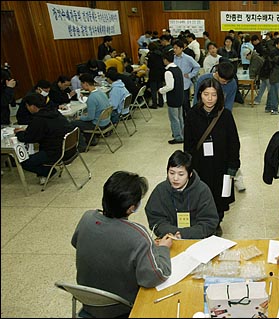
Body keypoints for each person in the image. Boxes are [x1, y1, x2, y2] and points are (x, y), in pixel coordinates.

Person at [71, 171, 172, 318]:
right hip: (120, 308)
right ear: (132, 208)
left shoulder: (87, 218)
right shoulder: (138, 235)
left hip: (89, 301)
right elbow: (156, 275)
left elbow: (76, 243)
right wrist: (163, 249)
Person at [184, 78, 241, 236]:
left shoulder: (226, 116)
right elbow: (188, 143)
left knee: (219, 195)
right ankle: (202, 221)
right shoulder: (192, 114)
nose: (209, 98)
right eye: (206, 94)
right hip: (199, 164)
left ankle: (217, 222)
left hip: (221, 165)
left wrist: (233, 166)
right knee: (200, 194)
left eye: (214, 95)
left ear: (219, 96)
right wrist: (187, 166)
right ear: (199, 94)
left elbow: (234, 142)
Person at [145, 150, 219, 239]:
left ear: (190, 174)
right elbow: (156, 220)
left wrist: (183, 234)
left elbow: (209, 222)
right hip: (169, 238)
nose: (175, 178)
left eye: (181, 174)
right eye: (171, 173)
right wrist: (173, 233)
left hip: (197, 239)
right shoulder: (160, 190)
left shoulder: (202, 190)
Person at [14, 93, 74, 185]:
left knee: (24, 162)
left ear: (33, 106)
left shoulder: (39, 119)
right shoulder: (54, 112)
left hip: (55, 152)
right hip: (69, 148)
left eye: (27, 106)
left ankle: (48, 171)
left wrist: (19, 133)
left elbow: (28, 138)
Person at [72, 73, 111, 146]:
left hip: (98, 124)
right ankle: (91, 140)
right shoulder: (101, 92)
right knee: (84, 117)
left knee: (74, 123)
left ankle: (82, 145)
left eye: (81, 84)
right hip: (106, 120)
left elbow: (90, 118)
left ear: (86, 83)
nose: (81, 86)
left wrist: (80, 117)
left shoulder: (91, 98)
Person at [159, 50, 184, 144]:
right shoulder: (178, 69)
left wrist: (161, 90)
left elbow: (170, 86)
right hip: (180, 96)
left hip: (173, 98)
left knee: (174, 118)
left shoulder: (168, 72)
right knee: (180, 117)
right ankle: (182, 134)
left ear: (165, 60)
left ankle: (177, 137)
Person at [173, 39, 200, 121]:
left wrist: (190, 75)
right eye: (174, 48)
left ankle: (189, 120)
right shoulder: (172, 58)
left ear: (182, 48)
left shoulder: (188, 58)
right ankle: (182, 121)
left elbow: (197, 66)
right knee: (178, 105)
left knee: (185, 104)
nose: (174, 50)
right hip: (175, 84)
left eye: (176, 48)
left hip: (185, 84)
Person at [267, 37, 279, 115]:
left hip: (273, 73)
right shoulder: (275, 52)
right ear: (276, 44)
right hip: (275, 74)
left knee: (271, 91)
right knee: (275, 92)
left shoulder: (275, 51)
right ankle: (274, 109)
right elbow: (278, 61)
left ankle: (268, 107)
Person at [146, 41, 166, 109]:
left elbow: (149, 65)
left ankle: (154, 104)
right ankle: (161, 102)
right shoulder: (161, 54)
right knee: (160, 89)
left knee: (153, 90)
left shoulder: (151, 56)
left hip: (153, 74)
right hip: (160, 73)